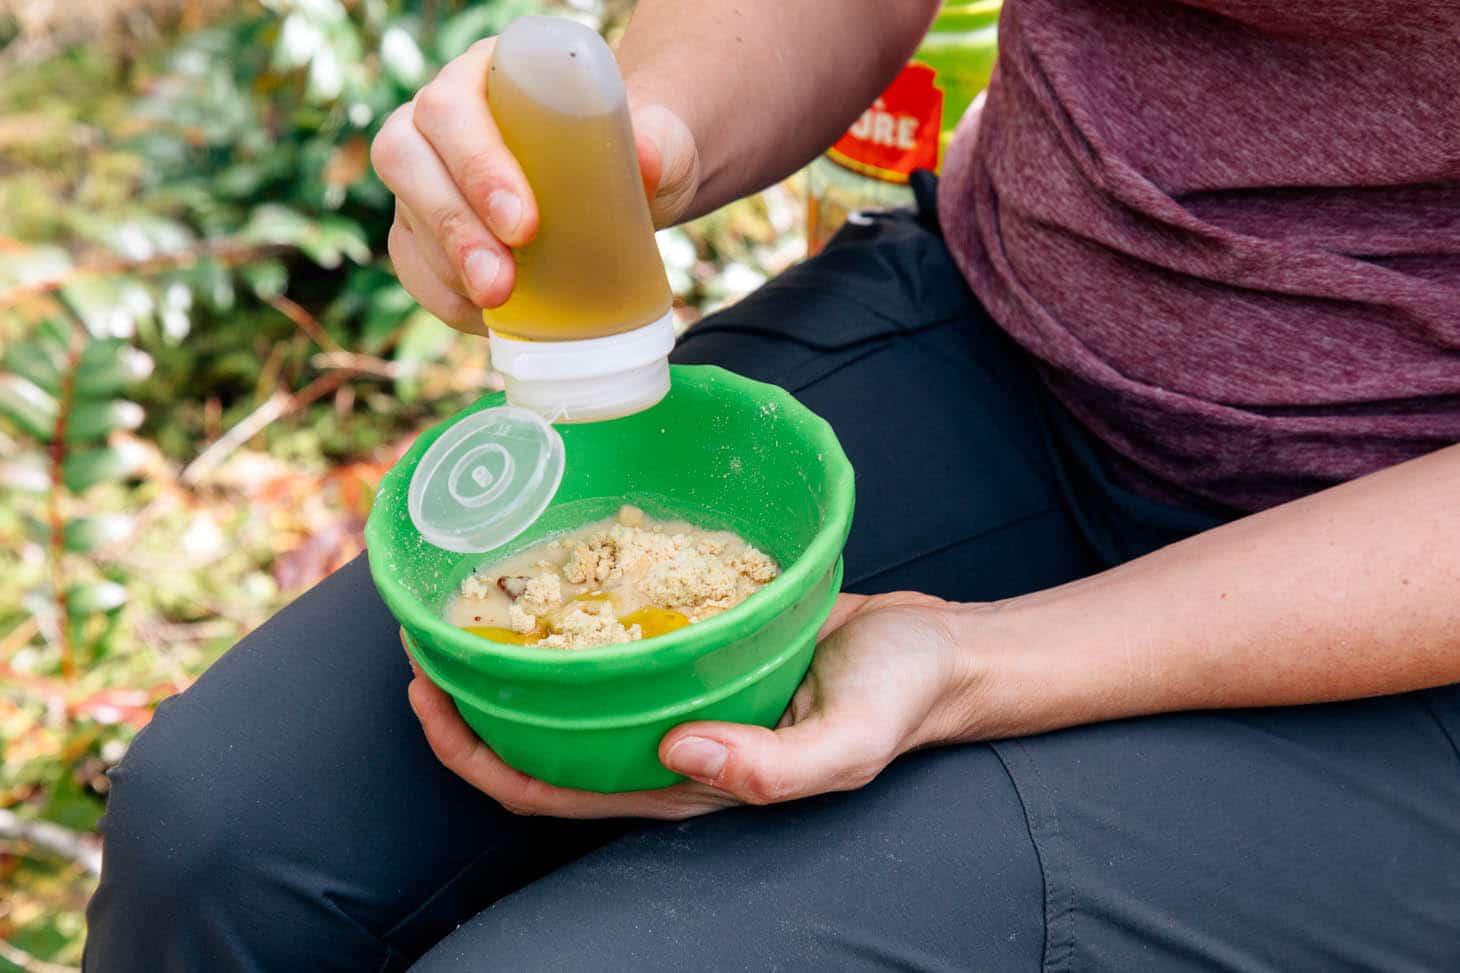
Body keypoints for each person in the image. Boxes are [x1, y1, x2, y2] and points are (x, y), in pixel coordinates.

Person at [86, 1, 1460, 969]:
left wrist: (984, 664)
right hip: (1012, 329)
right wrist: (639, 144)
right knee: (220, 829)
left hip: (1405, 600)